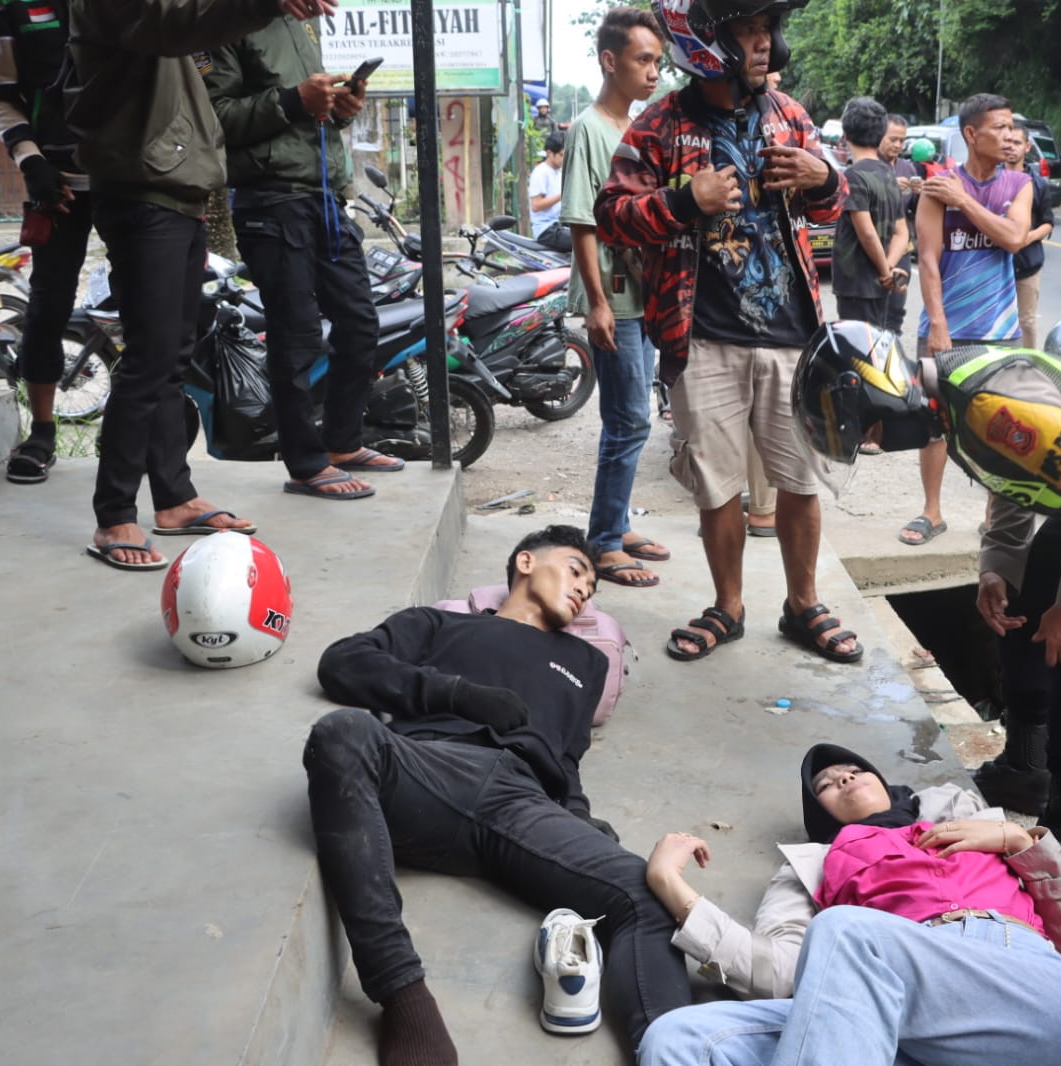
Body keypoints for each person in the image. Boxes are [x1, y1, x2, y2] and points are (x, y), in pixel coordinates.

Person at [793, 318, 1061, 864]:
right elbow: (1017, 477)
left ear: (882, 394)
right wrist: (999, 568)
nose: (874, 444)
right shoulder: (952, 410)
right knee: (1022, 615)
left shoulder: (985, 402)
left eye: (868, 432)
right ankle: (1027, 767)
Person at [304, 525, 691, 1066]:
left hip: (522, 803)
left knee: (646, 894)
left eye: (591, 588)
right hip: (427, 770)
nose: (584, 590)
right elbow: (343, 662)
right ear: (526, 562)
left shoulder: (587, 663)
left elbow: (568, 759)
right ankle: (402, 996)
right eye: (576, 570)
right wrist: (459, 694)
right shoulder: (437, 624)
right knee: (342, 733)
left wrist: (577, 815)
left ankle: (674, 1052)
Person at [597, 0, 860, 666]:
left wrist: (823, 177)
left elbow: (834, 207)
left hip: (791, 335)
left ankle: (803, 604)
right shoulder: (662, 122)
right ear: (707, 41)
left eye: (767, 29)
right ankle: (729, 606)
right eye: (747, 29)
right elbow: (611, 215)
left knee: (799, 481)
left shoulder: (789, 115)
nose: (763, 42)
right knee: (717, 487)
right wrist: (685, 201)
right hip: (702, 337)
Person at [634, 743, 1061, 1065]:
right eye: (826, 785)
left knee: (845, 929)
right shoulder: (814, 866)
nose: (843, 777)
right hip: (910, 1031)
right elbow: (779, 974)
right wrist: (670, 885)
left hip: (1039, 999)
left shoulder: (974, 822)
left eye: (854, 770)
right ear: (820, 815)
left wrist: (1020, 842)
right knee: (678, 1039)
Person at [63, 0, 304, 569]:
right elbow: (176, 23)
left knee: (172, 356)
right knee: (149, 360)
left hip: (176, 190)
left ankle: (173, 498)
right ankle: (114, 513)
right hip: (142, 192)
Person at [206, 13, 394, 503]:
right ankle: (305, 464)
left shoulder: (300, 24)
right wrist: (293, 101)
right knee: (296, 335)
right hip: (270, 200)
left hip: (324, 197)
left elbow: (307, 117)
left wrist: (339, 109)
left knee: (360, 322)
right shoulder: (225, 21)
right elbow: (214, 117)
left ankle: (341, 443)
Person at [563, 6, 669, 589]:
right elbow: (582, 221)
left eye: (658, 61)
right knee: (628, 419)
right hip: (615, 298)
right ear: (610, 60)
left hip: (643, 297)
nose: (654, 72)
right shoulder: (588, 128)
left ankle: (618, 524)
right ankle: (603, 541)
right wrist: (597, 303)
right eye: (643, 60)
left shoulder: (636, 128)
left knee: (629, 417)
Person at [905, 92, 1034, 548]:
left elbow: (1014, 237)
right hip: (945, 330)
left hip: (999, 333)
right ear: (971, 134)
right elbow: (927, 259)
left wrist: (965, 201)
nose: (1009, 136)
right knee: (934, 424)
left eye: (1011, 127)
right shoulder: (938, 187)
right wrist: (937, 324)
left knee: (1001, 428)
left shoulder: (1018, 184)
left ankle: (993, 516)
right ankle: (931, 512)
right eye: (999, 127)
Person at [0, 0, 88, 485]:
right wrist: (30, 160)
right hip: (57, 182)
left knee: (150, 303)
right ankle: (41, 433)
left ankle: (145, 432)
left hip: (135, 175)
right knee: (48, 305)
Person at [830, 96, 908, 333]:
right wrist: (889, 270)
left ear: (846, 134)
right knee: (879, 342)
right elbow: (902, 232)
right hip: (880, 285)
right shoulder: (888, 173)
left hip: (857, 284)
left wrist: (885, 272)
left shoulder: (853, 176)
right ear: (882, 133)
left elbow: (866, 233)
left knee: (859, 347)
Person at [1002, 125, 1055, 349]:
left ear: (1027, 147)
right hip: (994, 263)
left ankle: (1027, 364)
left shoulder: (1038, 184)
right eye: (1008, 142)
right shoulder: (991, 177)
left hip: (1027, 264)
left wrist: (1028, 236)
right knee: (993, 320)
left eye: (1017, 143)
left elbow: (1048, 223)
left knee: (1026, 322)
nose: (1011, 147)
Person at [530, 129, 570, 252]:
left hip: (559, 224)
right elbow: (536, 205)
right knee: (583, 242)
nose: (565, 159)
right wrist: (562, 195)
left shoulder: (560, 172)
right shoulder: (541, 172)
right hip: (546, 229)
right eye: (562, 155)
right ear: (549, 153)